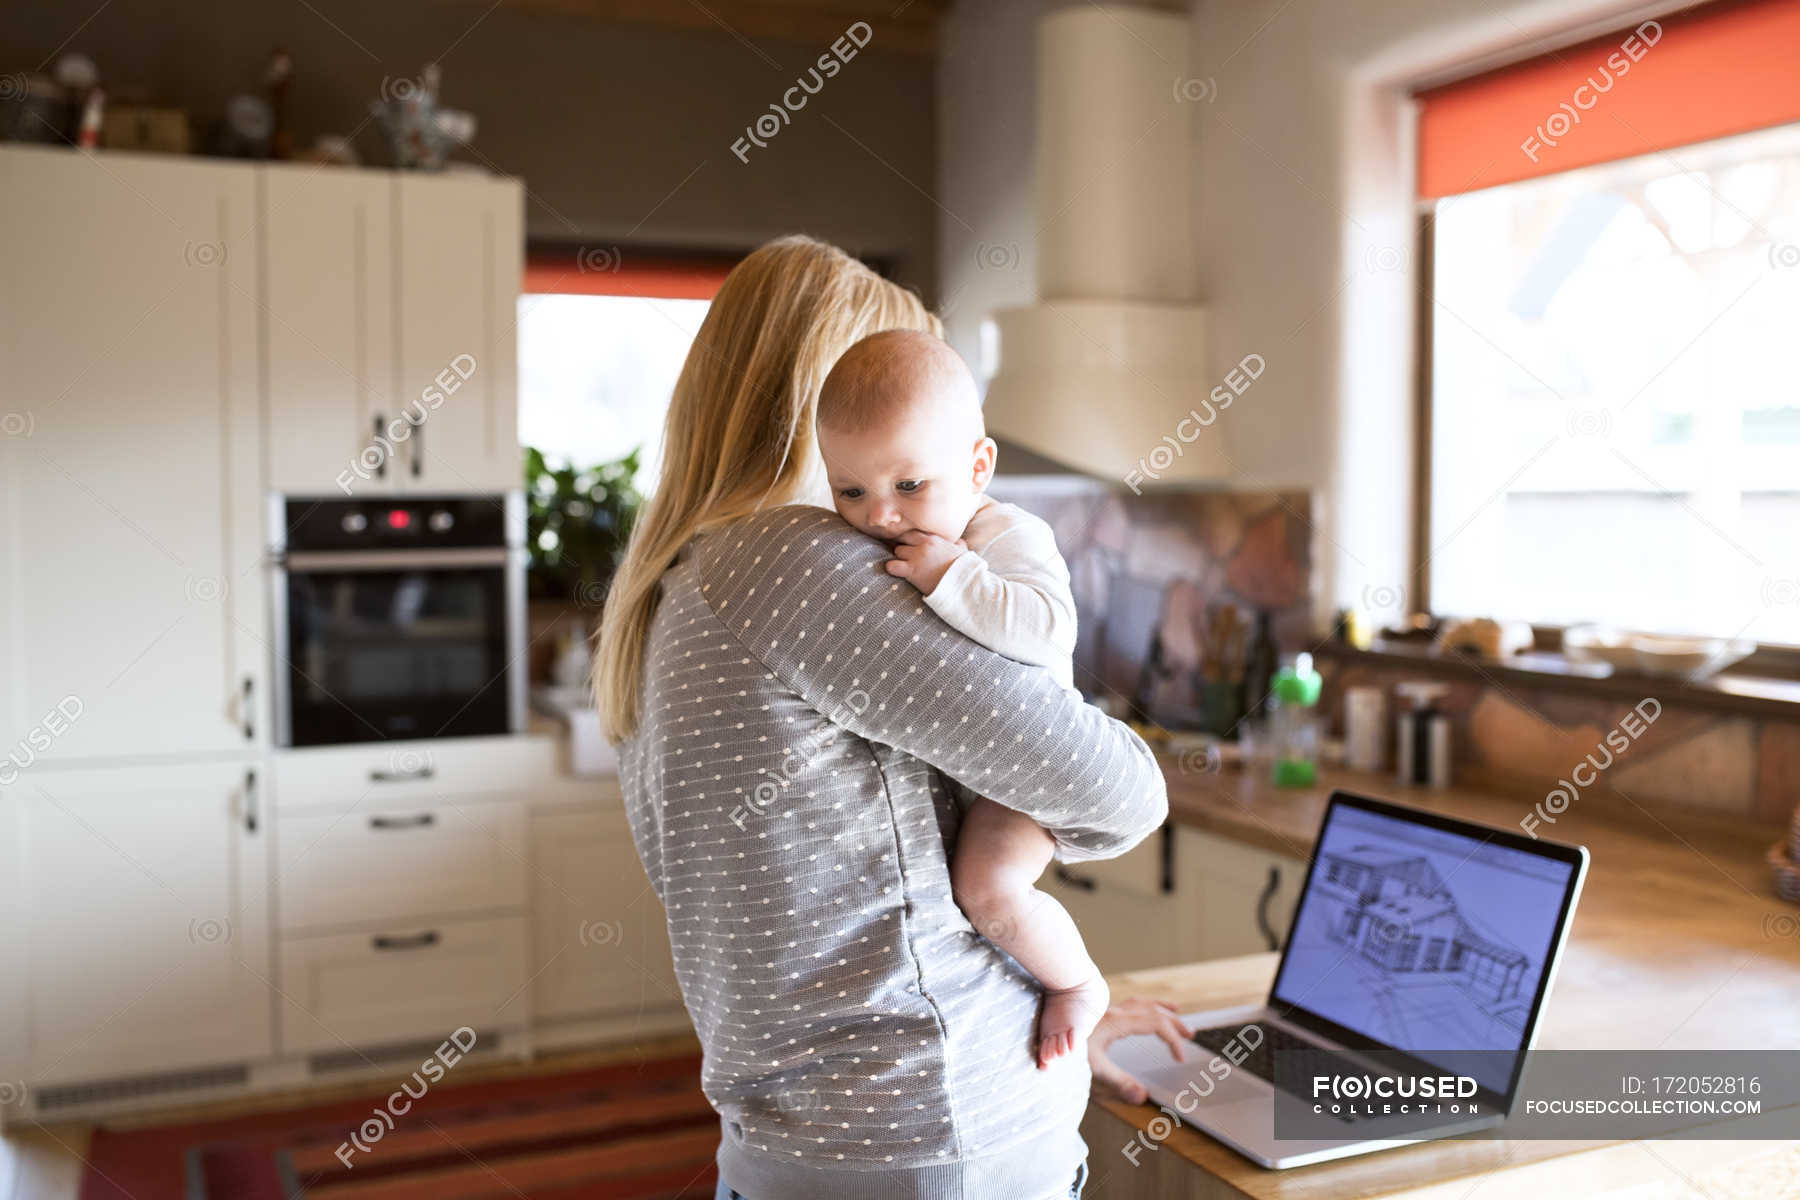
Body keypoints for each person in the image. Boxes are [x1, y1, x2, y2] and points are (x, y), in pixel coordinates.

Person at [595, 234, 1181, 1200]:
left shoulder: (669, 589)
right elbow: (1120, 791)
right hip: (930, 1144)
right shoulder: (792, 564)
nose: (895, 508)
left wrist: (1040, 1013)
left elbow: (845, 900)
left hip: (799, 1145)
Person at [814, 329, 1105, 1069]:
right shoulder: (892, 536)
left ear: (978, 467)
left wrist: (956, 576)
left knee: (988, 890)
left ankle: (1076, 984)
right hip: (964, 773)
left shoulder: (1006, 536)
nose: (880, 514)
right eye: (851, 490)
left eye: (909, 486)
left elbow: (1048, 630)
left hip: (1025, 781)